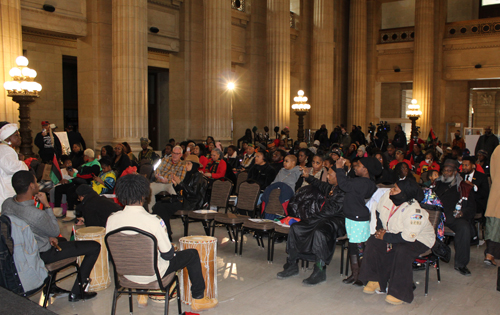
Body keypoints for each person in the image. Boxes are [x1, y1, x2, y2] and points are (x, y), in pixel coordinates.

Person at [106, 174, 217, 311]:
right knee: (192, 254)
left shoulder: (111, 219)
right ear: (144, 195)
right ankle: (199, 299)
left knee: (136, 254)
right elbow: (168, 255)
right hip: (153, 275)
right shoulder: (153, 221)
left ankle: (142, 295)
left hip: (126, 276)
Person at [2, 170, 100, 302]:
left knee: (62, 240)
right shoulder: (35, 214)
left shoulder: (7, 203)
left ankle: (51, 286)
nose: (37, 184)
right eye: (36, 182)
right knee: (94, 247)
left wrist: (45, 237)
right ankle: (77, 292)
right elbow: (54, 231)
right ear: (31, 186)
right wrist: (47, 205)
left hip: (20, 249)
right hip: (41, 252)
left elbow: (22, 227)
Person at [359, 180, 435, 305]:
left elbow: (408, 237)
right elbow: (378, 212)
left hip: (419, 239)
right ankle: (375, 279)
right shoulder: (388, 197)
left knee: (402, 251)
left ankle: (399, 292)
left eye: (395, 189)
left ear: (404, 195)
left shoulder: (415, 211)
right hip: (393, 232)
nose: (391, 190)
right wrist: (380, 230)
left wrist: (386, 237)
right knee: (373, 241)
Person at [277, 167, 346, 285]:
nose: (327, 176)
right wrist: (308, 176)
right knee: (296, 227)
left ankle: (319, 270)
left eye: (329, 174)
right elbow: (319, 183)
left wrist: (310, 219)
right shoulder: (331, 187)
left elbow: (330, 212)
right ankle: (292, 265)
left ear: (338, 177)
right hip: (322, 218)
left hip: (336, 221)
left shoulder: (344, 191)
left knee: (320, 232)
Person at [336, 156, 381, 286]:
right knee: (353, 246)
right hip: (352, 217)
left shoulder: (363, 183)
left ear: (366, 169)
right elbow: (348, 182)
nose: (355, 167)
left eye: (358, 165)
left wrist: (339, 168)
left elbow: (344, 184)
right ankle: (356, 274)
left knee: (359, 248)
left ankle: (362, 276)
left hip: (357, 219)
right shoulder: (362, 182)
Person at [434, 159, 476, 276]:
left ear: (456, 172)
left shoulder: (464, 187)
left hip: (453, 218)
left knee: (464, 228)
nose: (446, 173)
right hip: (437, 216)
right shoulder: (436, 184)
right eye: (445, 170)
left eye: (449, 171)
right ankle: (420, 259)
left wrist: (462, 213)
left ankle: (461, 264)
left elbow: (472, 208)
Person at [152, 155, 206, 240]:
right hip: (183, 200)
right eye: (186, 164)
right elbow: (182, 191)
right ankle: (162, 232)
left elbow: (193, 193)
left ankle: (167, 234)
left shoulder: (198, 176)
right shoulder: (188, 175)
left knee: (162, 208)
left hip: (191, 203)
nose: (186, 166)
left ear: (194, 165)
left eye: (189, 163)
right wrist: (176, 184)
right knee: (158, 205)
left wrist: (180, 183)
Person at [0, 122, 29, 210]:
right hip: (6, 191)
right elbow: (11, 168)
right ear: (8, 138)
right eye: (16, 135)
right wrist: (21, 162)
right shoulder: (6, 150)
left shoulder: (4, 149)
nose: (19, 138)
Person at [485, 146, 500, 266]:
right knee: (496, 227)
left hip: (496, 190)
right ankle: (490, 255)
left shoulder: (497, 149)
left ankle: (491, 253)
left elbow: (493, 172)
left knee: (492, 224)